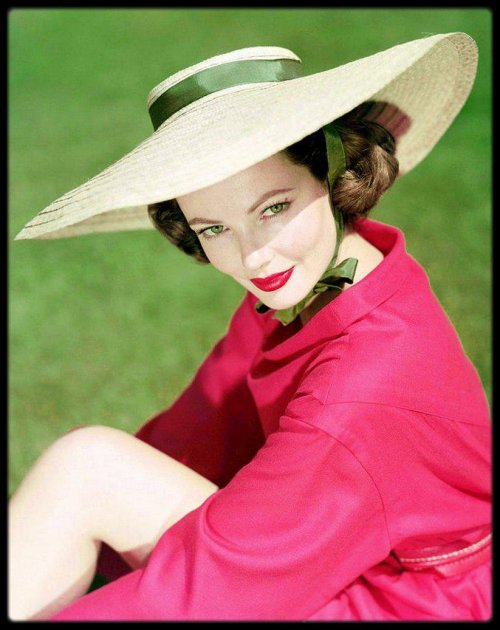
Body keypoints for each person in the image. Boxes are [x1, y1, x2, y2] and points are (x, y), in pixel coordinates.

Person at [10, 33, 491, 621]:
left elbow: (207, 592)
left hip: (408, 604)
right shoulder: (310, 286)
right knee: (86, 464)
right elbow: (200, 430)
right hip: (335, 554)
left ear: (334, 175)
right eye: (213, 229)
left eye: (273, 208)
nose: (254, 257)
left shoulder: (364, 388)